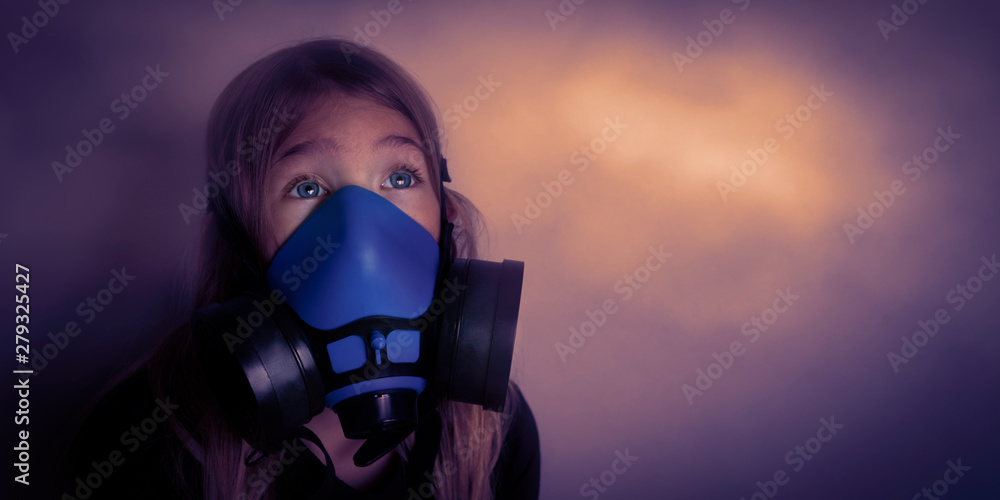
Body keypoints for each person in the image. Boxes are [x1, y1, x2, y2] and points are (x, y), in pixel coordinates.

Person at [60, 38, 540, 500]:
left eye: (399, 178)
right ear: (238, 234)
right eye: (307, 188)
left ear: (445, 212)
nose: (360, 236)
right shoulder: (148, 442)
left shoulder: (494, 435)